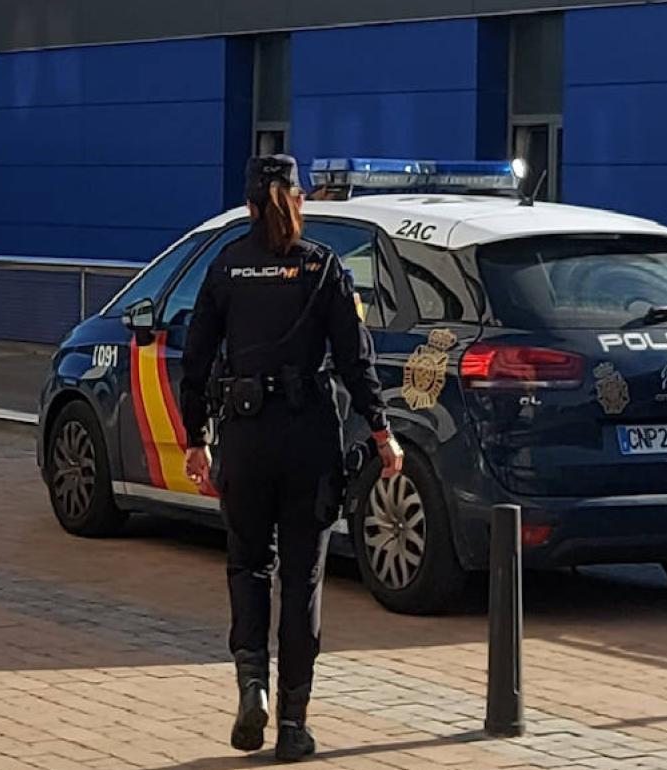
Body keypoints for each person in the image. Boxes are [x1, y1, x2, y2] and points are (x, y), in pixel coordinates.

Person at [178, 154, 403, 761]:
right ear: (297, 200)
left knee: (248, 566)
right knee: (302, 579)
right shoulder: (321, 266)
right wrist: (382, 435)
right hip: (309, 440)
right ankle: (294, 725)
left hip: (245, 441)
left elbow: (195, 360)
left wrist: (195, 441)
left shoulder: (225, 266)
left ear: (250, 205)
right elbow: (356, 363)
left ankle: (252, 686)